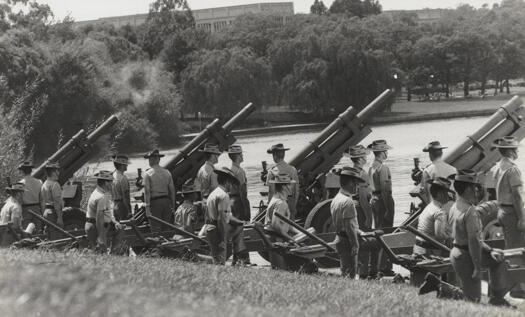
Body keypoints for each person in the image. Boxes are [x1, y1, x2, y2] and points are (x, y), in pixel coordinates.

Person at [420, 170, 511, 306]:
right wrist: (477, 268)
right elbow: (474, 241)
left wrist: (490, 250)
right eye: (475, 188)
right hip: (467, 257)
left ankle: (496, 299)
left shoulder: (454, 207)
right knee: (473, 301)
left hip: (456, 253)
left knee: (496, 260)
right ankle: (440, 286)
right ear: (468, 189)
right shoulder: (470, 212)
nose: (477, 191)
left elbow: (466, 239)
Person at [492, 136, 525, 298]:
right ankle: (517, 287)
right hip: (512, 212)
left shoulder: (498, 167)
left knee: (510, 246)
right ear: (510, 151)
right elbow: (518, 195)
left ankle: (515, 284)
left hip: (502, 210)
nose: (517, 151)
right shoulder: (513, 169)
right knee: (517, 249)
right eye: (515, 148)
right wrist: (522, 218)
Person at [205, 167, 246, 265]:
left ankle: (237, 260)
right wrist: (223, 239)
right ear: (227, 182)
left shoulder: (213, 193)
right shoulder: (224, 196)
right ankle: (238, 258)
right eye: (231, 183)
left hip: (210, 228)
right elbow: (222, 219)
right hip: (216, 230)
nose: (232, 186)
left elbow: (227, 215)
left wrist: (241, 222)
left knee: (216, 259)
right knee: (220, 261)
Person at [330, 166, 365, 278]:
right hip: (347, 241)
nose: (357, 187)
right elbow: (349, 226)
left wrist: (359, 231)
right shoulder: (348, 201)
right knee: (351, 273)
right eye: (356, 184)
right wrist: (355, 244)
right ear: (350, 183)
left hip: (340, 238)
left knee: (344, 270)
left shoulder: (336, 198)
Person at [368, 139, 395, 276]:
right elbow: (385, 189)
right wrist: (389, 209)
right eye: (386, 151)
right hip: (383, 201)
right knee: (386, 233)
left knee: (378, 231)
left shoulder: (371, 166)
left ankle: (376, 265)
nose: (387, 153)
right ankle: (384, 266)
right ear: (381, 153)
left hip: (374, 199)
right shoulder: (383, 168)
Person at [347, 145, 374, 279]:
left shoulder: (348, 172)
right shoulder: (362, 174)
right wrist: (369, 217)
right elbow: (364, 197)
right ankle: (363, 273)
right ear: (360, 159)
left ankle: (353, 270)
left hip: (349, 206)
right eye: (364, 156)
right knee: (364, 241)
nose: (366, 158)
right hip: (360, 209)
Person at [265, 173, 300, 269]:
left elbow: (284, 223)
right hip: (276, 240)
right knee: (280, 270)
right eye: (289, 184)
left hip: (274, 239)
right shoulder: (281, 203)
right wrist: (291, 239)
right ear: (284, 187)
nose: (291, 187)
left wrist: (299, 233)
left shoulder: (275, 198)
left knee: (280, 269)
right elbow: (276, 225)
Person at [413, 177, 454, 256]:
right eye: (446, 193)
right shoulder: (439, 212)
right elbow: (440, 235)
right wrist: (449, 238)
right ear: (439, 194)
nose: (448, 196)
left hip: (419, 248)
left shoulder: (429, 206)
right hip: (429, 251)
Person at [85, 171, 124, 253]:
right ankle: (115, 255)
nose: (112, 184)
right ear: (106, 183)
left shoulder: (98, 192)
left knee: (119, 229)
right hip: (98, 227)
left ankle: (114, 254)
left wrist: (115, 222)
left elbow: (107, 212)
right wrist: (101, 237)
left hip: (95, 225)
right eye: (111, 182)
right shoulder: (101, 197)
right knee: (100, 251)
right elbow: (99, 218)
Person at [228, 144, 253, 265]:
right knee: (242, 229)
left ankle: (236, 258)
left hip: (231, 200)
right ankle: (244, 259)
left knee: (234, 230)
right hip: (239, 201)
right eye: (241, 154)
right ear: (237, 156)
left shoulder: (228, 170)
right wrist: (246, 208)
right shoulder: (239, 171)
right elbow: (243, 192)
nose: (242, 156)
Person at [143, 149, 176, 232]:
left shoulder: (147, 174)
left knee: (156, 229)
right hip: (166, 202)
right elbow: (172, 191)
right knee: (166, 228)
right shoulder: (167, 172)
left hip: (155, 203)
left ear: (151, 160)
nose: (149, 161)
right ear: (159, 159)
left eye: (150, 159)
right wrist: (173, 205)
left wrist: (147, 208)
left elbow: (147, 191)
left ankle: (158, 244)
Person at [266, 143, 300, 220]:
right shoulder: (292, 169)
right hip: (289, 201)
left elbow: (270, 192)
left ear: (274, 156)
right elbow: (296, 190)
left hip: (277, 203)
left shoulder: (272, 171)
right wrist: (293, 206)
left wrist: (269, 206)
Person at [40, 162, 63, 240]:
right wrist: (59, 217)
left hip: (46, 212)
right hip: (53, 212)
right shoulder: (55, 184)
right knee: (56, 236)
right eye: (57, 170)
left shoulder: (44, 184)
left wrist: (43, 214)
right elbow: (57, 202)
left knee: (48, 235)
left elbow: (42, 202)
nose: (58, 173)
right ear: (53, 172)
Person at [18, 161, 43, 232]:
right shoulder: (39, 182)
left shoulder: (20, 184)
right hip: (37, 209)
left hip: (26, 210)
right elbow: (42, 199)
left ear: (22, 171)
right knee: (38, 231)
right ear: (31, 170)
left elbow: (19, 199)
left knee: (27, 231)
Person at [111, 155, 131, 221]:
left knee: (118, 227)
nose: (127, 166)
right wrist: (129, 210)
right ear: (122, 166)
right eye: (126, 165)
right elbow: (126, 196)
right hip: (122, 206)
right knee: (125, 226)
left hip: (114, 205)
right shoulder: (123, 178)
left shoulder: (112, 176)